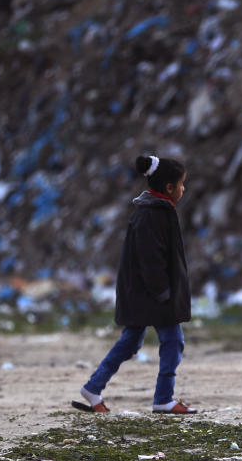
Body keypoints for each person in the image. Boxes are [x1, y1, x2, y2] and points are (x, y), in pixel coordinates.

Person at [74, 155, 196, 414]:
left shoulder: (157, 210)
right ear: (169, 189)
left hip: (142, 293)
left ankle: (93, 388)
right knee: (173, 341)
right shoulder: (153, 215)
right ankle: (164, 399)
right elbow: (150, 259)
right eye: (181, 184)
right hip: (152, 293)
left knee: (130, 342)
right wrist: (163, 292)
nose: (184, 189)